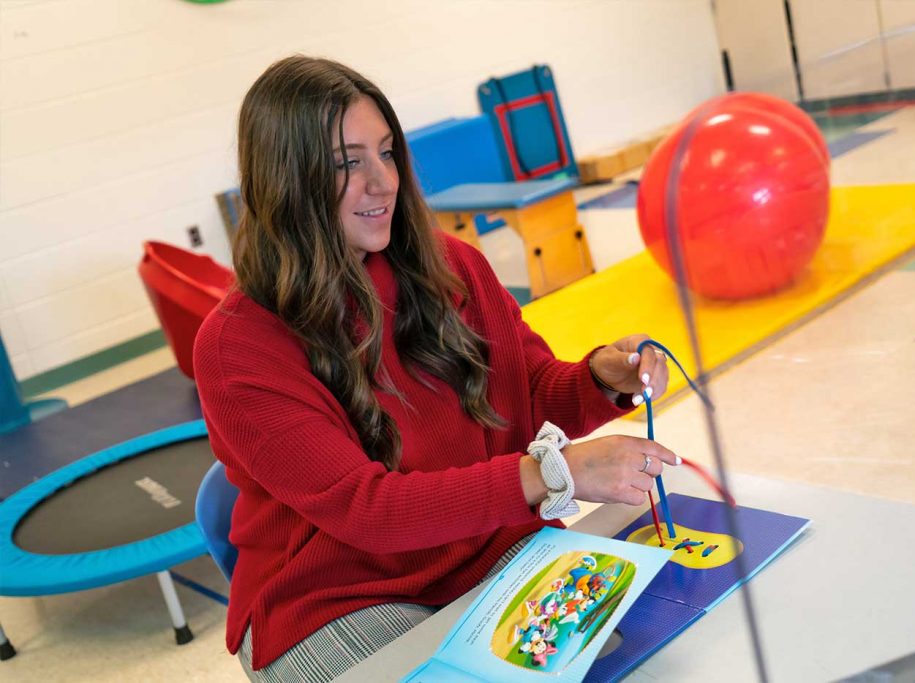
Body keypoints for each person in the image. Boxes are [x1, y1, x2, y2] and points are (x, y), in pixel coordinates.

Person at [193, 55, 679, 682]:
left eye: (387, 153)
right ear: (286, 179)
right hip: (336, 598)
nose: (383, 182)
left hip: (489, 550)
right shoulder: (237, 346)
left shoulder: (450, 263)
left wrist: (598, 380)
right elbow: (367, 510)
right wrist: (554, 473)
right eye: (348, 163)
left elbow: (528, 393)